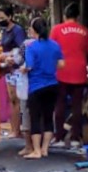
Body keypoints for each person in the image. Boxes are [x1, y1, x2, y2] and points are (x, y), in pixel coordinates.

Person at [50, 2, 88, 148]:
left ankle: (59, 137)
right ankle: (76, 138)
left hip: (61, 71)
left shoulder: (57, 29)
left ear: (65, 16)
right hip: (79, 72)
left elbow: (51, 50)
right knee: (77, 106)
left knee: (60, 105)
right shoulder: (84, 31)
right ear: (77, 16)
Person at [23, 17, 64, 159]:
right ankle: (45, 149)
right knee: (48, 117)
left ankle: (36, 150)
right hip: (53, 85)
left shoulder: (31, 47)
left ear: (34, 30)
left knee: (35, 117)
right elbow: (61, 64)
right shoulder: (54, 45)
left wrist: (23, 69)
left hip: (36, 86)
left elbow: (29, 66)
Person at [0, 6, 26, 139]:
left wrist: (11, 58)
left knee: (15, 100)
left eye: (3, 18)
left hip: (17, 68)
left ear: (10, 17)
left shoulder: (17, 31)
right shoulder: (4, 31)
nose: (1, 20)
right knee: (11, 99)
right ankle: (14, 128)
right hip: (8, 68)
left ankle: (16, 129)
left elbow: (22, 48)